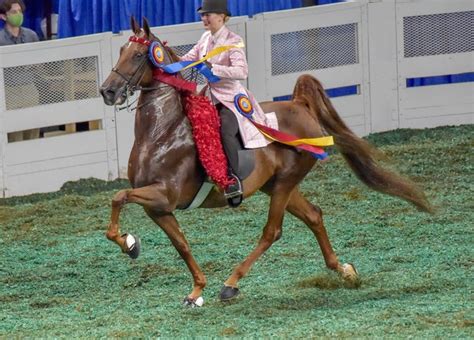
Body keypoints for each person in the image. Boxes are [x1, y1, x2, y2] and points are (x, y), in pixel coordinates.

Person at [181, 0, 278, 204]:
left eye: (209, 14)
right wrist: (166, 62)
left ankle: (233, 180)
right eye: (203, 15)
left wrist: (214, 69)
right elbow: (189, 58)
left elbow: (242, 71)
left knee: (225, 129)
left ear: (222, 17)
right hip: (208, 96)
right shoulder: (205, 38)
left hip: (230, 100)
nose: (204, 18)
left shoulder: (233, 41)